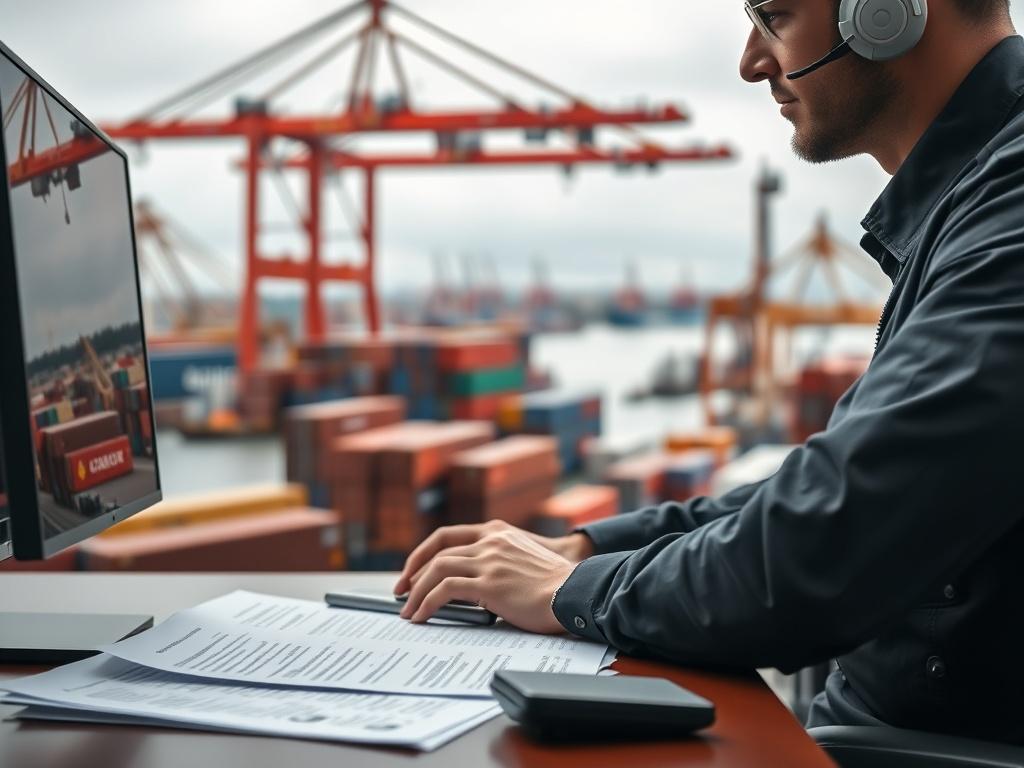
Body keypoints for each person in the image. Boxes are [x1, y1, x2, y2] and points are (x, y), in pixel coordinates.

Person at [394, 0, 1024, 744]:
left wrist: (569, 591)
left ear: (885, 13)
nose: (752, 62)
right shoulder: (978, 200)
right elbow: (841, 484)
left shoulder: (1008, 219)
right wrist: (597, 549)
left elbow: (810, 559)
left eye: (776, 19)